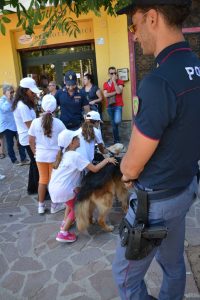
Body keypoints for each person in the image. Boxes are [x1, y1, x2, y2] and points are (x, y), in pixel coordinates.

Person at [112, 1, 200, 300]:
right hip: (185, 188)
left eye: (134, 25)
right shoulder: (196, 68)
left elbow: (131, 167)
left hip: (156, 202)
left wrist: (125, 174)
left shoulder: (158, 82)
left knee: (124, 278)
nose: (134, 35)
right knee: (174, 265)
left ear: (152, 18)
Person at [48, 128, 117, 243]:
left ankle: (65, 222)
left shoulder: (63, 154)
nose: (79, 139)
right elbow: (94, 169)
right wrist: (107, 160)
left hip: (55, 188)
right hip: (64, 189)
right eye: (76, 138)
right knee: (77, 207)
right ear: (71, 142)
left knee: (70, 204)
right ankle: (63, 233)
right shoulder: (74, 156)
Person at [28, 94, 66, 214]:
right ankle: (55, 205)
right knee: (52, 180)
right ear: (55, 108)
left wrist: (35, 153)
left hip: (40, 156)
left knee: (42, 180)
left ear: (42, 107)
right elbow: (66, 139)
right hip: (54, 156)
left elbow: (30, 140)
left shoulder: (35, 122)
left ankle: (40, 206)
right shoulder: (59, 123)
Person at [13, 77, 40, 195]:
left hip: (29, 137)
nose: (33, 94)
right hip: (29, 138)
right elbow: (30, 125)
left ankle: (32, 188)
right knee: (36, 164)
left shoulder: (24, 103)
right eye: (31, 91)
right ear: (24, 91)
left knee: (34, 163)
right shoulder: (22, 106)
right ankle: (41, 190)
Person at [0, 84, 29, 165]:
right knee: (10, 144)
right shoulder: (2, 100)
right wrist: (9, 99)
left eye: (13, 92)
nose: (13, 93)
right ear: (5, 92)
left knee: (20, 142)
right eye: (11, 92)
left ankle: (23, 159)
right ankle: (14, 160)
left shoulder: (13, 99)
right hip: (7, 126)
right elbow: (5, 109)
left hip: (16, 125)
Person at [103, 67, 124, 144]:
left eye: (115, 73)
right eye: (112, 73)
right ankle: (116, 140)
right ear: (109, 74)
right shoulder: (106, 83)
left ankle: (117, 138)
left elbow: (119, 91)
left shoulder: (120, 81)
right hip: (109, 106)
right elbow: (105, 95)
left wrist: (114, 82)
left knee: (117, 121)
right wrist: (115, 92)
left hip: (118, 105)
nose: (113, 74)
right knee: (114, 124)